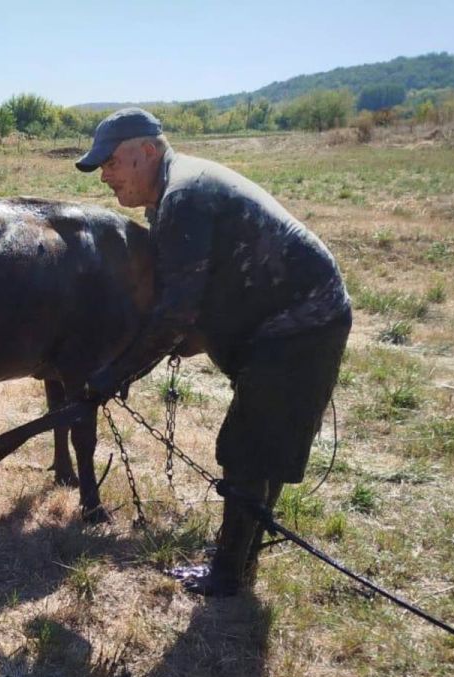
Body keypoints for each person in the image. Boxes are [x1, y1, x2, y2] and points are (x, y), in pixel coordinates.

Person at [76, 108, 351, 597]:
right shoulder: (173, 195)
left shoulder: (184, 196)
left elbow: (176, 312)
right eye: (101, 167)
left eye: (112, 163)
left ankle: (228, 574)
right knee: (257, 446)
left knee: (248, 450)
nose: (105, 177)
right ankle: (240, 558)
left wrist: (114, 375)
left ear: (147, 152)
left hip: (302, 323)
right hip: (283, 322)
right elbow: (197, 293)